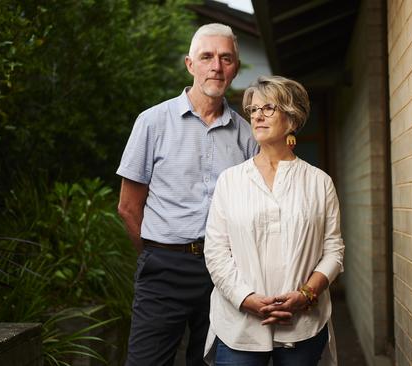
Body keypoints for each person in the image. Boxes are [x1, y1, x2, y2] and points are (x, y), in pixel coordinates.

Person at [116, 23, 258, 366]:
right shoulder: (152, 122)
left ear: (235, 67)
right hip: (164, 268)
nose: (216, 66)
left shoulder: (247, 134)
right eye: (206, 57)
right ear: (189, 64)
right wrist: (156, 252)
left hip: (224, 273)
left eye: (226, 58)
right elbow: (128, 207)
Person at [203, 75, 345, 366]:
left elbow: (334, 251)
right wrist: (246, 298)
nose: (257, 116)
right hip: (239, 324)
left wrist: (305, 295)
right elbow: (215, 251)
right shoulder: (231, 181)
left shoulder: (319, 182)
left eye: (268, 108)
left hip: (302, 323)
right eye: (253, 110)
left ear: (291, 119)